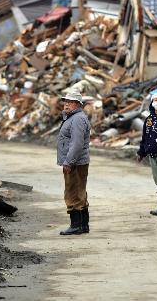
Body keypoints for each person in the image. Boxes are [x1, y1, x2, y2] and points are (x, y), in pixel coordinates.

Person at [57, 92, 91, 235]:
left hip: (75, 163)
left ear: (78, 104)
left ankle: (76, 226)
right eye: (65, 101)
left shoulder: (77, 119)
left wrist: (69, 162)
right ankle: (83, 226)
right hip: (77, 162)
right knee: (80, 192)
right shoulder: (74, 117)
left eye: (70, 102)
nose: (66, 104)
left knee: (73, 193)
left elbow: (77, 144)